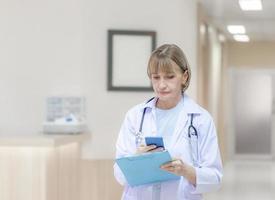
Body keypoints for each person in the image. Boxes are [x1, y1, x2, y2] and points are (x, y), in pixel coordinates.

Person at [114, 44, 223, 200]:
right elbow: (119, 175)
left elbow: (215, 179)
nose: (162, 84)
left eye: (170, 76)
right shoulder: (135, 116)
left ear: (184, 77)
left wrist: (185, 171)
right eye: (156, 77)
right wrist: (135, 158)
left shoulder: (201, 119)